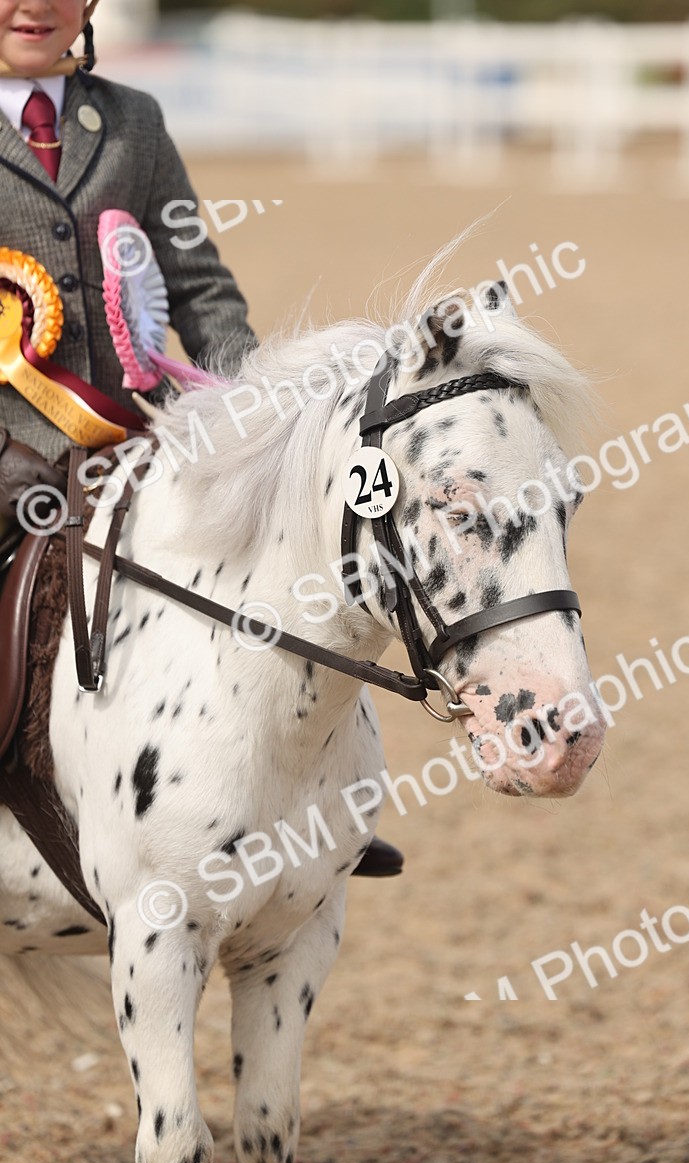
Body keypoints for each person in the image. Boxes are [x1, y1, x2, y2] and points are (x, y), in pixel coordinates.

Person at [0, 0, 402, 877]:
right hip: (7, 451)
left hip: (135, 433)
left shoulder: (133, 122)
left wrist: (261, 413)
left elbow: (199, 284)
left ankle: (310, 804)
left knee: (274, 560)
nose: (35, 5)